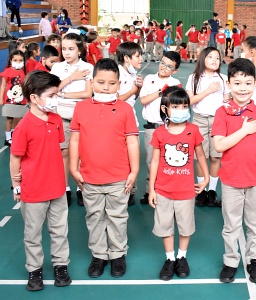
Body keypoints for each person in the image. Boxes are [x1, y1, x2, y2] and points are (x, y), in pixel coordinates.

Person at [69, 58, 139, 278]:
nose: (106, 87)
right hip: (89, 177)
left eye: (111, 83)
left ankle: (118, 254)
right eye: (100, 82)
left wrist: (134, 171)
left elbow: (132, 142)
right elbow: (74, 140)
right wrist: (73, 167)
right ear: (92, 82)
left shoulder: (126, 109)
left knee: (118, 217)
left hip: (118, 177)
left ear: (119, 85)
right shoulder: (81, 108)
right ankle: (99, 254)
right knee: (94, 216)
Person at [212, 58, 256, 283]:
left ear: (255, 83)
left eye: (247, 83)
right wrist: (245, 130)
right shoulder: (222, 113)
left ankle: (254, 261)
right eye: (237, 83)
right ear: (228, 84)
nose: (242, 88)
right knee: (231, 225)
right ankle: (230, 261)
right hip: (230, 180)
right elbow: (219, 145)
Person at [9, 70, 71, 291]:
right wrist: (17, 186)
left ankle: (60, 265)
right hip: (33, 191)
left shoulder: (55, 120)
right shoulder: (24, 127)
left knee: (59, 230)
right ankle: (34, 270)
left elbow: (58, 150)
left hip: (56, 188)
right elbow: (15, 160)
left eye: (57, 94)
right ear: (34, 97)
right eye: (52, 95)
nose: (56, 99)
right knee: (33, 234)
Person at [148, 86, 209, 281]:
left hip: (186, 190)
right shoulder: (159, 133)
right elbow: (155, 161)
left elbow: (200, 155)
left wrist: (206, 177)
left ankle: (182, 256)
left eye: (184, 106)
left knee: (185, 225)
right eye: (176, 106)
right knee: (165, 226)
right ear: (165, 109)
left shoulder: (193, 130)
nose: (181, 110)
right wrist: (151, 189)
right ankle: (170, 258)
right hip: (163, 190)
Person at [50, 33, 93, 206]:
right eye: (64, 49)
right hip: (61, 116)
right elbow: (52, 89)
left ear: (80, 50)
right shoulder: (57, 68)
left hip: (82, 115)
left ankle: (81, 187)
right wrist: (71, 78)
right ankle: (65, 188)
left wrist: (64, 93)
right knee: (64, 152)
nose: (67, 52)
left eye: (71, 49)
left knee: (83, 153)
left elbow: (87, 94)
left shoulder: (88, 67)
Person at [186, 47, 230, 207]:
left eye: (217, 58)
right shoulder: (194, 78)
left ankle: (211, 190)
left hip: (218, 121)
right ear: (203, 58)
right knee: (200, 157)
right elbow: (189, 101)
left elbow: (226, 102)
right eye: (210, 56)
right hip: (199, 120)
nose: (214, 60)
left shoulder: (224, 78)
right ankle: (201, 190)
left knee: (215, 157)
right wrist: (208, 90)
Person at [139, 52, 181, 204]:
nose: (164, 67)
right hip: (151, 128)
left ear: (174, 71)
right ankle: (149, 191)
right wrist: (160, 92)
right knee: (151, 161)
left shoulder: (175, 83)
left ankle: (167, 191)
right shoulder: (149, 79)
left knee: (169, 160)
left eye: (169, 66)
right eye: (163, 63)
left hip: (169, 128)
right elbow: (143, 100)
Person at [116, 42, 143, 205]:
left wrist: (138, 89)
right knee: (121, 157)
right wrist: (134, 90)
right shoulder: (116, 74)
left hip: (131, 120)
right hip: (117, 122)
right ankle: (120, 189)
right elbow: (115, 99)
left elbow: (134, 98)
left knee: (132, 157)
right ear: (126, 58)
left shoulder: (133, 74)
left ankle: (130, 189)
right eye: (138, 56)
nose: (141, 59)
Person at [0, 49, 27, 146]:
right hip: (9, 100)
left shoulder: (24, 72)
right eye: (15, 60)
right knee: (9, 118)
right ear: (11, 60)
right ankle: (8, 139)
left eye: (20, 60)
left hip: (21, 99)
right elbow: (3, 85)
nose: (18, 63)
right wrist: (1, 98)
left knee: (19, 117)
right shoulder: (7, 71)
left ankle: (13, 133)